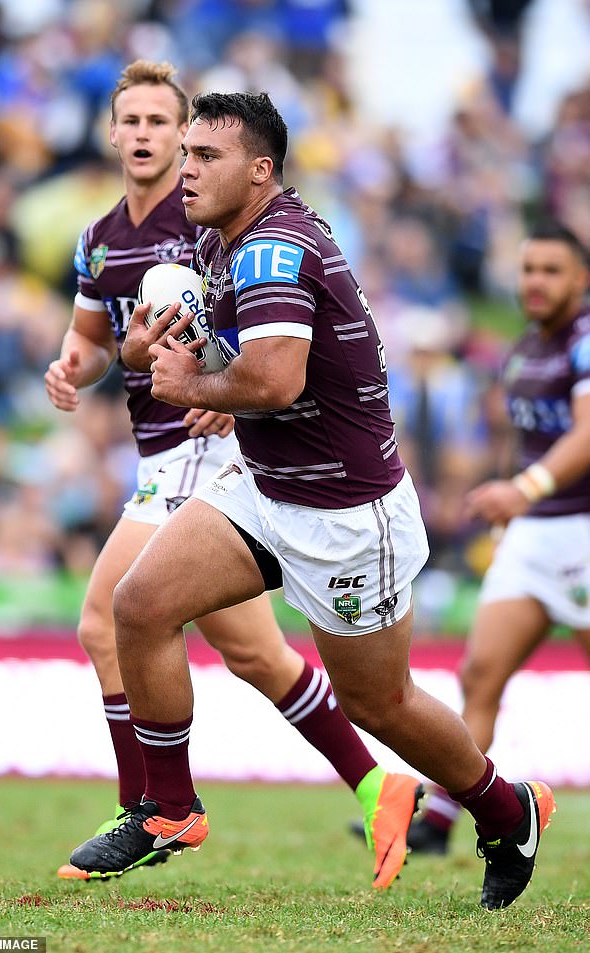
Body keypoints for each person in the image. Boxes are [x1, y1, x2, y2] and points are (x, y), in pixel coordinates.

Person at [68, 90, 555, 910]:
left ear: (261, 170)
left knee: (380, 701)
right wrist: (201, 371)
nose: (187, 171)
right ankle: (169, 808)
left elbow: (277, 375)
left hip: (346, 513)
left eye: (206, 157)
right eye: (185, 154)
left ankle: (508, 810)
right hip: (266, 483)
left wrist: (200, 381)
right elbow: (258, 366)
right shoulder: (220, 239)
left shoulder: (273, 247)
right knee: (140, 604)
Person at [45, 61, 422, 887]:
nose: (149, 138)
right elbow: (101, 340)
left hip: (216, 456)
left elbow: (255, 351)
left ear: (193, 141)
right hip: (161, 452)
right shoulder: (98, 239)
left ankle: (150, 805)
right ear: (112, 134)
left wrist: (225, 390)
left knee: (114, 616)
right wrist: (76, 364)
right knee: (257, 656)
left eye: (163, 124)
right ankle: (375, 781)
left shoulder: (206, 228)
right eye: (132, 121)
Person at [405, 221, 590, 855]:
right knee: (481, 673)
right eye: (528, 269)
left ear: (581, 280)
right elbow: (527, 441)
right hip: (534, 534)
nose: (535, 282)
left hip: (581, 529)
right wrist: (507, 490)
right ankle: (437, 822)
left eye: (551, 270)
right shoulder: (523, 351)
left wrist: (526, 487)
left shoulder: (585, 340)